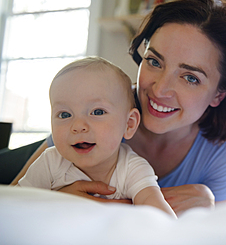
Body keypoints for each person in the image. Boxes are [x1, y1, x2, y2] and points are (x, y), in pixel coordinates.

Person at [11, 0, 226, 215]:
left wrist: (210, 205)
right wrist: (53, 201)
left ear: (219, 94)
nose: (160, 89)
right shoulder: (99, 111)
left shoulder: (224, 147)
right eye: (154, 61)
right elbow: (11, 198)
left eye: (190, 77)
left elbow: (214, 227)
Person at [16, 57, 177, 218]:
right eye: (65, 114)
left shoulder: (133, 169)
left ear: (128, 124)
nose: (78, 126)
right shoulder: (50, 163)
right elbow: (13, 206)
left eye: (97, 112)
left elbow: (158, 215)